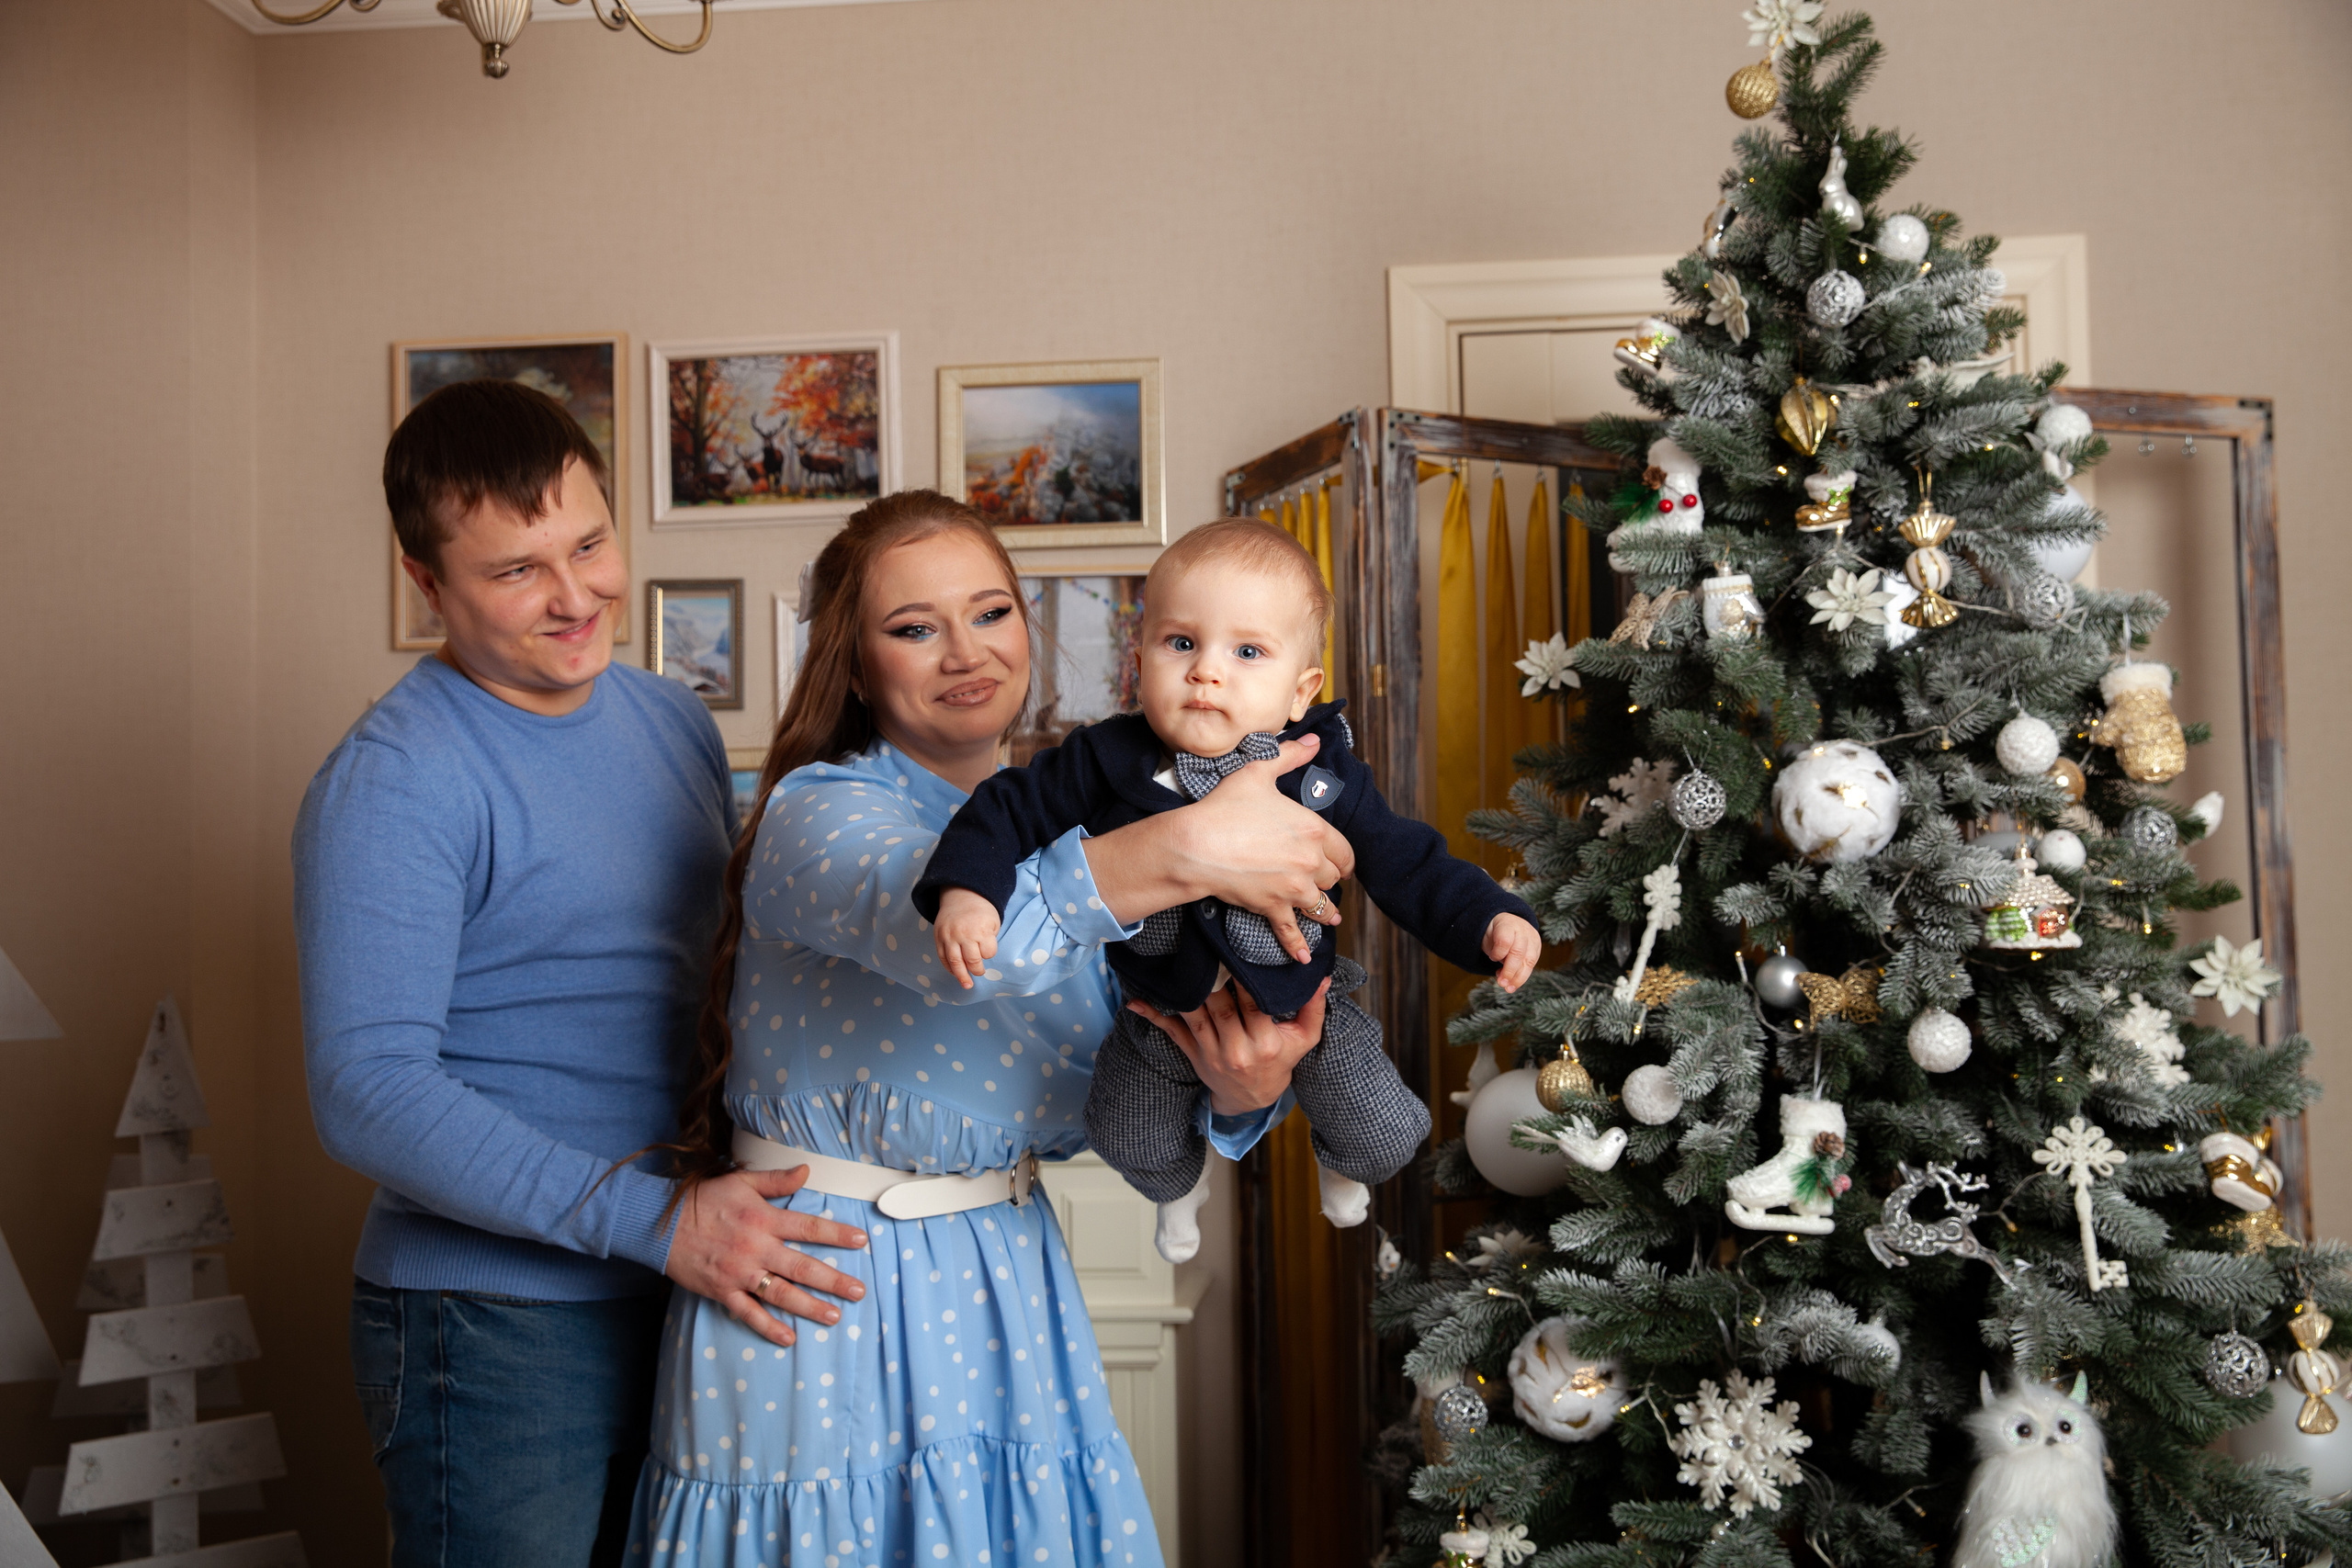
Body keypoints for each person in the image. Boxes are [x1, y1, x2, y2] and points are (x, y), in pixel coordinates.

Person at [630, 491, 1354, 1566]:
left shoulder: (1086, 828)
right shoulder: (819, 813)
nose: (964, 652)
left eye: (992, 613)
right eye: (914, 627)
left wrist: (1238, 1090)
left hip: (1003, 1274)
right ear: (855, 662)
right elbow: (968, 947)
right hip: (821, 1285)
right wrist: (1193, 845)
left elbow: (1116, 1089)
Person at [294, 379, 869, 1566]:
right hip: (494, 1325)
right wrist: (654, 1219)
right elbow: (367, 1085)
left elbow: (712, 987)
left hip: (684, 1281)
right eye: (517, 570)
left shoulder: (673, 720)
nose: (576, 596)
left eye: (591, 543)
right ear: (427, 582)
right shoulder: (396, 777)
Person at [915, 518, 1541, 1260]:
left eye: (1247, 651)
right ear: (1138, 656)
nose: (1207, 670)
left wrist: (1491, 919)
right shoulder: (1104, 757)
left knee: (1381, 1132)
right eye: (1182, 642)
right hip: (1160, 1010)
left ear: (1300, 689)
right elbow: (1003, 810)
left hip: (1303, 999)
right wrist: (966, 892)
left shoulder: (1318, 770)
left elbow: (1407, 860)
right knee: (1127, 1136)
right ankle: (1182, 1193)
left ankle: (1339, 1167)